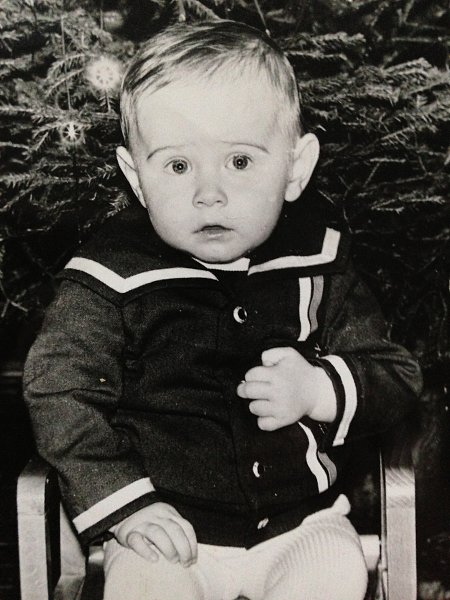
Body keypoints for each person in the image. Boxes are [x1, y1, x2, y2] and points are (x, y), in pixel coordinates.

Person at [23, 20, 422, 600]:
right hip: (165, 528)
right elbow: (59, 392)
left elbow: (395, 373)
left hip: (301, 522)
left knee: (334, 573)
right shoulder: (110, 276)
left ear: (295, 167)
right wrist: (125, 505)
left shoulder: (319, 259)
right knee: (145, 587)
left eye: (239, 161)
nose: (208, 193)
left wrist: (320, 389)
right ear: (137, 177)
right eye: (178, 166)